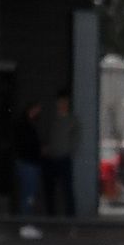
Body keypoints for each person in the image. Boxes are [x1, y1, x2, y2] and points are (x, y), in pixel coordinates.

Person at [41, 88, 78, 218]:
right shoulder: (52, 119)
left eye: (64, 101)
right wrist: (46, 148)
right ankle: (51, 217)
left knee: (67, 189)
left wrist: (68, 150)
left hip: (64, 158)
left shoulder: (72, 120)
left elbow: (75, 139)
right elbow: (46, 136)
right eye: (60, 101)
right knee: (49, 189)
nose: (62, 104)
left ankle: (70, 218)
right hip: (51, 158)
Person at [12, 99, 45, 240]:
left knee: (27, 195)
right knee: (28, 196)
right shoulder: (26, 127)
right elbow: (28, 146)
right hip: (28, 164)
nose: (38, 113)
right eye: (37, 110)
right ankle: (26, 225)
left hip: (27, 164)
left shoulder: (26, 125)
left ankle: (26, 224)